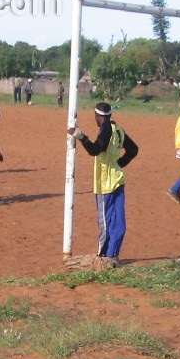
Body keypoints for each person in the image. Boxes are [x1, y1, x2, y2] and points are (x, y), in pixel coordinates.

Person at [68, 102, 138, 265]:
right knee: (118, 221)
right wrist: (119, 163)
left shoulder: (105, 129)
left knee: (106, 223)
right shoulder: (118, 129)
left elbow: (95, 150)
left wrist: (81, 137)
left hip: (105, 184)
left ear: (97, 116)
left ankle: (103, 258)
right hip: (118, 179)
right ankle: (113, 255)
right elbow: (133, 149)